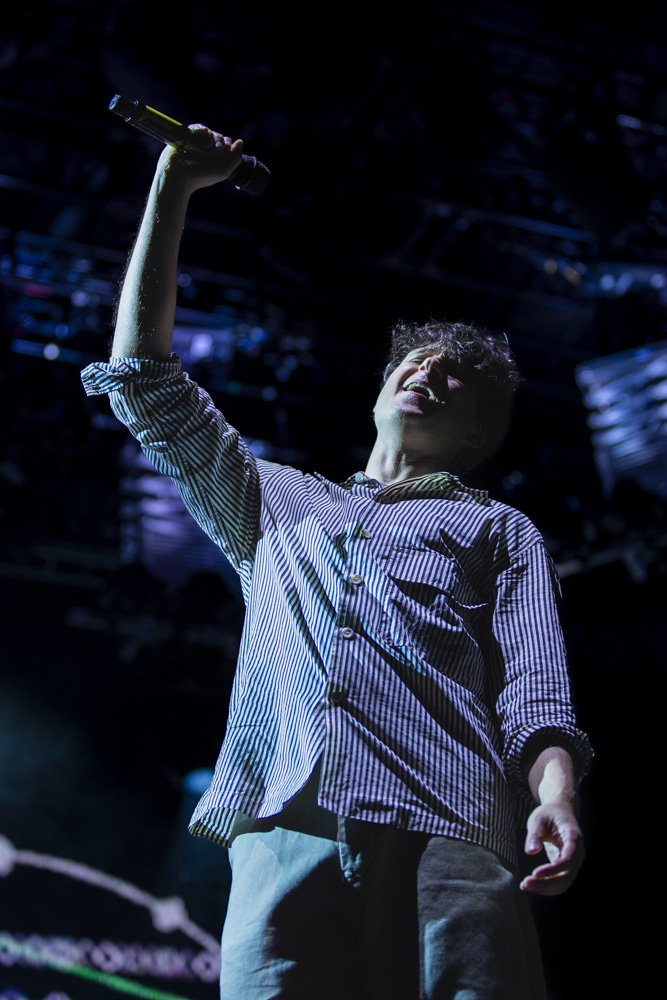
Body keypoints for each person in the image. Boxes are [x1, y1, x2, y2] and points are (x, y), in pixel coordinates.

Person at [82, 127, 592, 1000]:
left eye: (456, 374)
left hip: (450, 826)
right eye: (414, 358)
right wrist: (174, 184)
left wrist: (557, 796)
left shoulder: (499, 529)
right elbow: (143, 378)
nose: (426, 370)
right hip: (284, 824)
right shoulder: (274, 500)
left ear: (479, 433)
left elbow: (536, 694)